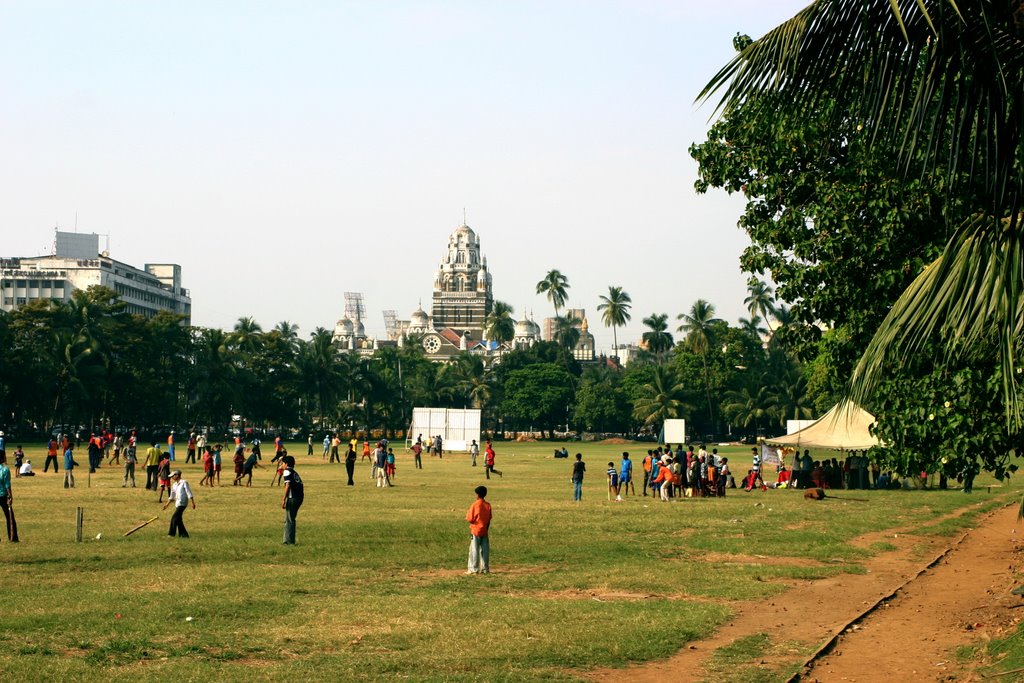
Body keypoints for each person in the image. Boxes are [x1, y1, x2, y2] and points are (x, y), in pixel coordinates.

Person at [465, 485, 491, 574]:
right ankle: (485, 569)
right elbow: (489, 519)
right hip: (484, 530)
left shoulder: (475, 505)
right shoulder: (488, 505)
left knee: (474, 549)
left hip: (475, 530)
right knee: (485, 550)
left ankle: (473, 569)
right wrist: (486, 528)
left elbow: (469, 519)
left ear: (477, 495)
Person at [163, 470, 195, 537]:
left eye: (173, 476)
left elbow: (188, 492)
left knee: (174, 518)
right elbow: (172, 495)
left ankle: (171, 534)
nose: (172, 478)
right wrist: (167, 504)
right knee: (179, 520)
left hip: (183, 503)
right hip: (177, 503)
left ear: (177, 475)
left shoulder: (184, 482)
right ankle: (183, 534)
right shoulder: (174, 485)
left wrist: (192, 502)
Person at [281, 455, 303, 545]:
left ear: (286, 464)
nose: (282, 465)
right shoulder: (294, 472)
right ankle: (289, 540)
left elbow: (288, 485)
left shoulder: (286, 471)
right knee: (291, 519)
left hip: (292, 497)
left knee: (289, 519)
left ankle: (289, 541)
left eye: (283, 463)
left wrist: (284, 499)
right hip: (299, 497)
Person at [0, 454, 18, 542]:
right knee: (10, 517)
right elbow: (7, 485)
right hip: (3, 495)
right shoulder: (5, 469)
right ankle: (12, 537)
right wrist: (10, 496)